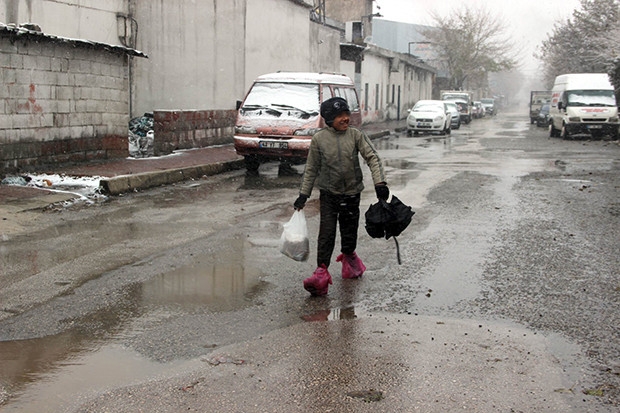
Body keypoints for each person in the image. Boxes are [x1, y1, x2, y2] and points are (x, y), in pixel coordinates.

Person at [293, 96, 389, 296]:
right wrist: (304, 194)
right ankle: (321, 272)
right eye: (340, 116)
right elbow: (311, 169)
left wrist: (380, 183)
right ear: (329, 119)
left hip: (352, 193)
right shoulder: (319, 139)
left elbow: (372, 157)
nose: (345, 119)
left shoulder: (356, 135)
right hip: (329, 194)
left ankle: (350, 260)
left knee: (349, 230)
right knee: (326, 234)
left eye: (347, 114)